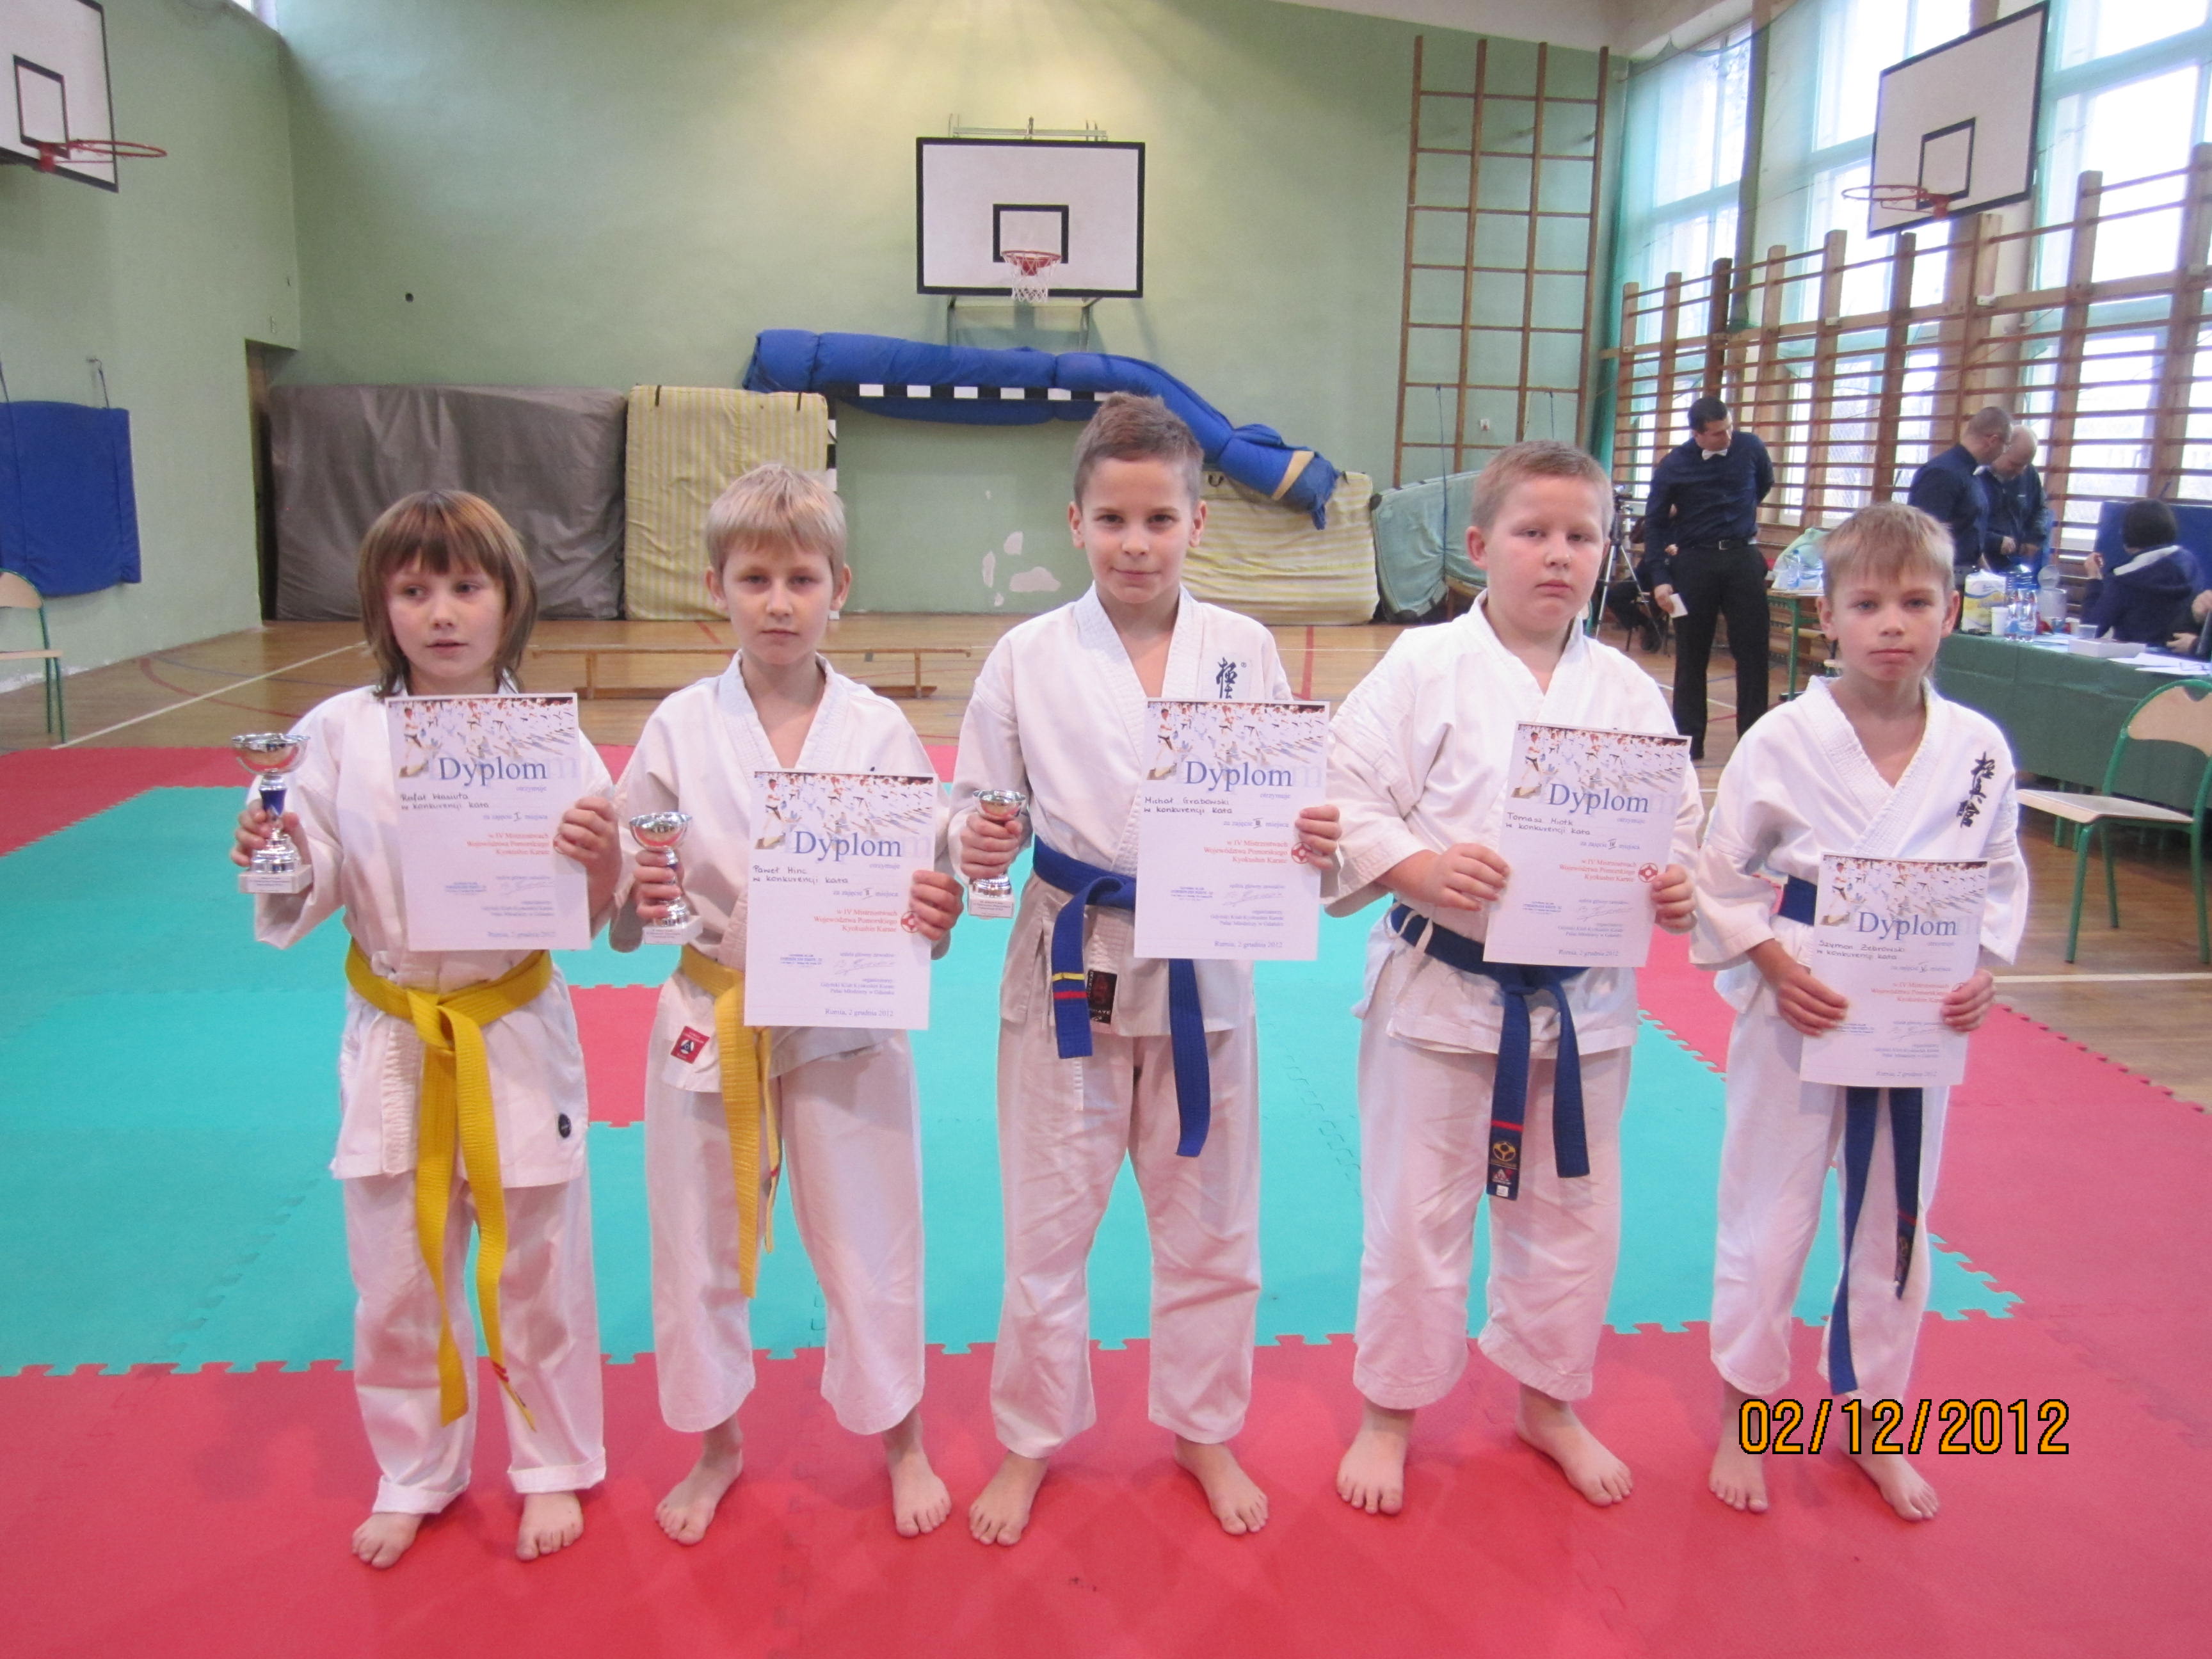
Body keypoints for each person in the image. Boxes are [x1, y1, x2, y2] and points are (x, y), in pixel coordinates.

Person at [952, 392, 1342, 1545]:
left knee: (1212, 1224)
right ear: (1075, 522)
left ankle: (1204, 1426)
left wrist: (1306, 833)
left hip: (1201, 970)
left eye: (1159, 519)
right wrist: (978, 837)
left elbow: (1279, 801)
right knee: (1046, 1225)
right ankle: (1031, 1436)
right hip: (1065, 963)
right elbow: (978, 801)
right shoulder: (1026, 655)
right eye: (1113, 519)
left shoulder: (1243, 650)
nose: (1136, 543)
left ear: (1197, 523)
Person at [232, 490, 623, 1568]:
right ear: (380, 605)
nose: (442, 613)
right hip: (398, 1029)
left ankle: (552, 1462)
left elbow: (596, 906)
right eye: (414, 590)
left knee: (536, 1262)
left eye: (465, 586)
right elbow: (309, 867)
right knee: (397, 1274)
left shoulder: (551, 739)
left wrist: (601, 858)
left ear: (511, 600)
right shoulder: (334, 733)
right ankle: (414, 1469)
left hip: (511, 1021)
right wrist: (272, 849)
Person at [1326, 441, 1703, 1517]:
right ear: (1480, 546)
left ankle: (1549, 1400)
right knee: (1416, 1215)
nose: (1559, 555)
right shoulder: (1422, 668)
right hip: (1442, 995)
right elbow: (1345, 796)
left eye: (1582, 536)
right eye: (1534, 533)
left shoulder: (1627, 691)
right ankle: (1390, 1409)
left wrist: (1676, 884)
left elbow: (1677, 823)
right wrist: (1420, 867)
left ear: (1607, 552)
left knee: (1574, 1218)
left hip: (1582, 1003)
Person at [613, 463, 964, 1543]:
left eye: (801, 579)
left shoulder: (880, 731)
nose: (778, 603)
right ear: (714, 587)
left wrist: (938, 909)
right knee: (696, 1243)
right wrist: (637, 888)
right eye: (754, 579)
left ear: (839, 588)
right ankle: (718, 1445)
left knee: (872, 1235)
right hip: (710, 1010)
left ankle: (900, 1436)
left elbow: (928, 892)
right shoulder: (678, 726)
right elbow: (625, 896)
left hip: (845, 1019)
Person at [1694, 501, 2027, 1522]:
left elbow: (1999, 875)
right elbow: (1721, 873)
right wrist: (1767, 958)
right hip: (1804, 993)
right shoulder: (1783, 737)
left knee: (1899, 1222)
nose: (1893, 624)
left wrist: (1983, 969)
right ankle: (1747, 1411)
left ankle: (1876, 1418)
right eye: (1869, 603)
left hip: (1919, 1007)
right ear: (1826, 615)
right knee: (1770, 1209)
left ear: (1952, 612)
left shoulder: (1977, 749)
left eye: (1917, 603)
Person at [1644, 397, 1775, 761]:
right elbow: (1655, 523)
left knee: (1753, 653)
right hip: (1694, 562)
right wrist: (1659, 576)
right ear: (1698, 435)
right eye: (1717, 433)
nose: (1727, 437)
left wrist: (1737, 516)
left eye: (1729, 428)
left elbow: (1763, 486)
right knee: (1691, 654)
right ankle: (1690, 743)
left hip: (1742, 556)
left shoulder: (1750, 448)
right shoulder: (1674, 465)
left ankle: (1752, 743)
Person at [2083, 497, 2211, 647]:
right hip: (2185, 654)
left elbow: (2091, 628)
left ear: (2126, 533)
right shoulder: (2190, 564)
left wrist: (2094, 579)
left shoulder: (2124, 579)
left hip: (2133, 657)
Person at [1905, 405, 2011, 578]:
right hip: (1942, 577)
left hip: (1968, 578)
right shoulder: (1942, 473)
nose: (2005, 452)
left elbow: (1970, 536)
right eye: (2006, 445)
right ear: (1993, 441)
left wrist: (1991, 578)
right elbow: (1923, 539)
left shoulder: (1971, 475)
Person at [1976, 426, 2050, 572]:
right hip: (1981, 562)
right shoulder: (1975, 477)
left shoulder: (2029, 474)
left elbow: (2039, 508)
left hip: (2015, 561)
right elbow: (1961, 528)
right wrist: (1995, 541)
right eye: (2015, 464)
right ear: (2001, 450)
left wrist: (2034, 537)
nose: (2020, 471)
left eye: (2025, 465)